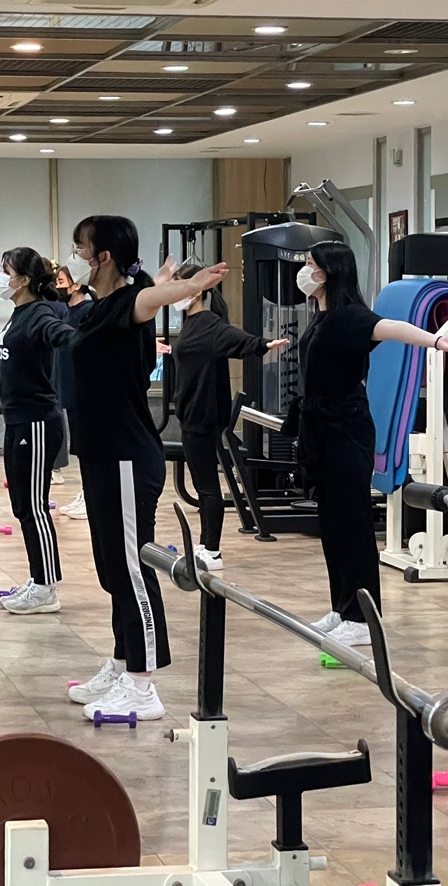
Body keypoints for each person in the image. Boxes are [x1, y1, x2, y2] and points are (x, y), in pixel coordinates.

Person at [64, 216, 227, 722]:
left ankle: (142, 684)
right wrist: (160, 281)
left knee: (131, 570)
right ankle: (122, 662)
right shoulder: (104, 305)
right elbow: (145, 293)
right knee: (111, 567)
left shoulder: (131, 303)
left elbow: (149, 299)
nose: (75, 257)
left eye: (81, 248)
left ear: (103, 256)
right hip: (100, 454)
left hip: (126, 457)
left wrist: (191, 285)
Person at [295, 241, 448, 649]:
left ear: (329, 271)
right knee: (331, 523)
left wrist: (437, 341)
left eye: (310, 264)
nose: (304, 271)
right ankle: (342, 607)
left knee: (352, 522)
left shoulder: (353, 316)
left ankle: (362, 615)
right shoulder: (320, 317)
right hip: (319, 425)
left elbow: (392, 328)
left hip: (346, 427)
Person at [170, 260, 289, 570]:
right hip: (190, 415)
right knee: (203, 486)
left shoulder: (210, 325)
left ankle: (212, 551)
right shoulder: (191, 323)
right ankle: (205, 546)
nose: (175, 293)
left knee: (208, 488)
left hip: (202, 417)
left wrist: (264, 345)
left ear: (197, 291)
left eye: (180, 286)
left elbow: (238, 340)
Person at [0, 247, 78, 613]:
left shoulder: (41, 311)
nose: (1, 277)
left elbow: (61, 334)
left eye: (6, 271)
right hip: (17, 419)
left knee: (34, 506)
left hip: (37, 421)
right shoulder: (19, 313)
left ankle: (46, 588)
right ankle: (38, 576)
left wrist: (81, 339)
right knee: (21, 505)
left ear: (24, 279)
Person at [53, 255, 96, 520]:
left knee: (88, 447)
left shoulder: (89, 311)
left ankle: (91, 496)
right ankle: (86, 493)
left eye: (61, 281)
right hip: (69, 388)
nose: (57, 286)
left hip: (84, 390)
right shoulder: (67, 311)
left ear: (76, 284)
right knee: (80, 446)